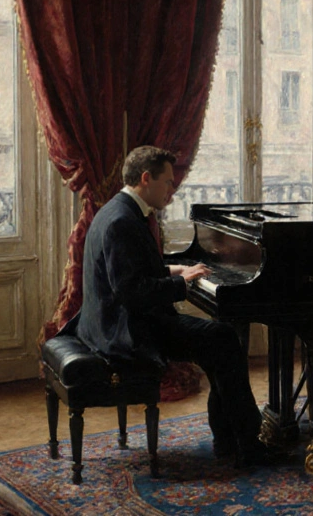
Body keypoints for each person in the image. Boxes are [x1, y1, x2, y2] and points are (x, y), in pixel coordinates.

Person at [61, 145, 270, 466]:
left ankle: (231, 439)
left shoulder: (116, 210)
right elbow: (132, 292)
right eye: (168, 183)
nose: (172, 190)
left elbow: (132, 270)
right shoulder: (123, 222)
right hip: (126, 332)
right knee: (225, 339)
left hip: (111, 322)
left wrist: (176, 270)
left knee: (219, 343)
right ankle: (246, 443)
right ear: (146, 178)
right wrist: (180, 284)